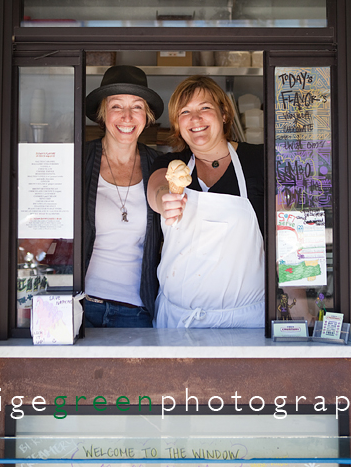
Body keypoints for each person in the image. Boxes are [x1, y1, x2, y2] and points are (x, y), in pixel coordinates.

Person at [148, 75, 265, 328]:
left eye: (205, 108)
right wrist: (164, 201)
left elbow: (287, 234)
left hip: (245, 323)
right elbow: (157, 189)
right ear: (177, 123)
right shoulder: (170, 164)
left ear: (224, 114)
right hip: (177, 322)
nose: (195, 118)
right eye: (185, 112)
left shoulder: (259, 161)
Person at [84, 65, 164, 327]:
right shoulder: (80, 160)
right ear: (103, 113)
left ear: (147, 116)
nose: (127, 116)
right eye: (117, 106)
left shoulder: (159, 165)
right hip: (83, 306)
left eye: (137, 107)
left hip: (137, 311)